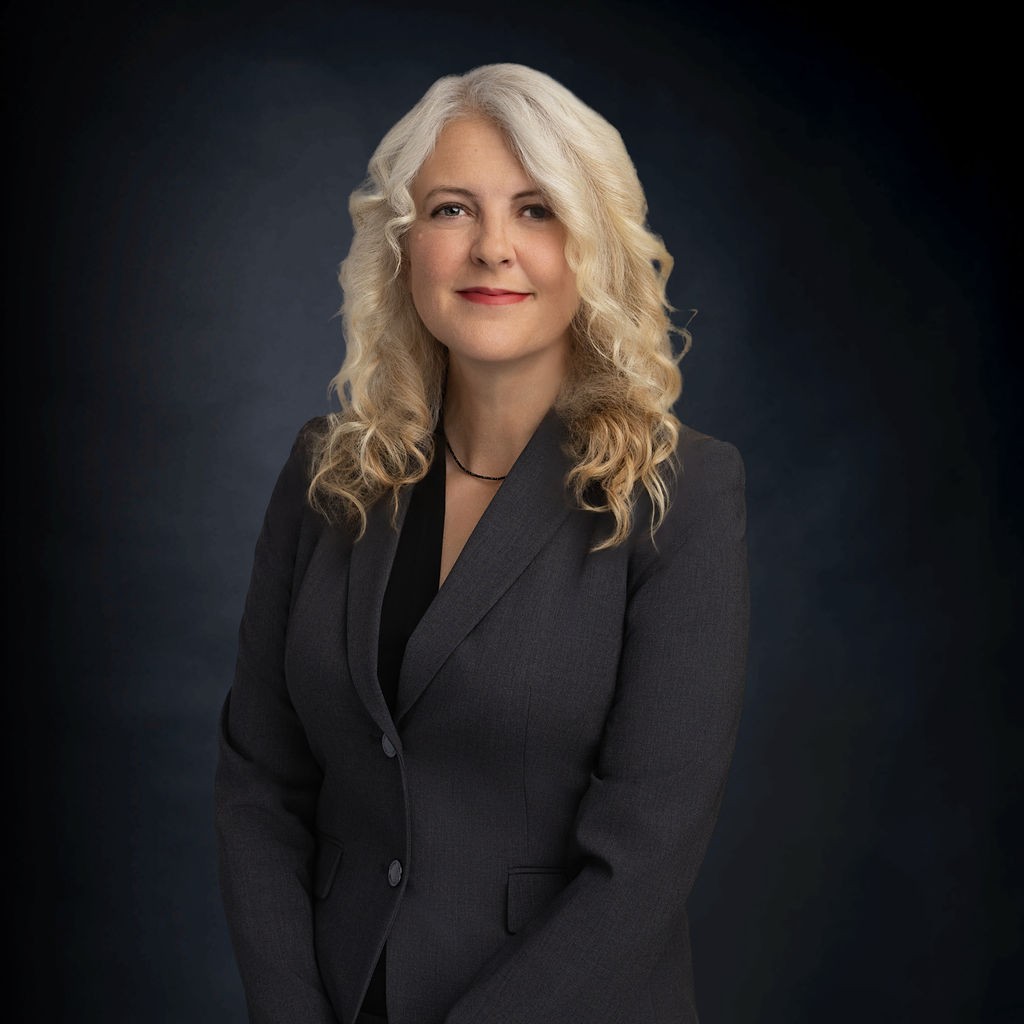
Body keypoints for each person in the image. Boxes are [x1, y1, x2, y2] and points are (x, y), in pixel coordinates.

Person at [214, 62, 749, 1024]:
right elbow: (261, 780)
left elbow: (644, 857)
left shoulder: (682, 495)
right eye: (454, 209)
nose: (493, 248)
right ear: (403, 245)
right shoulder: (326, 473)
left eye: (537, 210)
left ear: (592, 249)